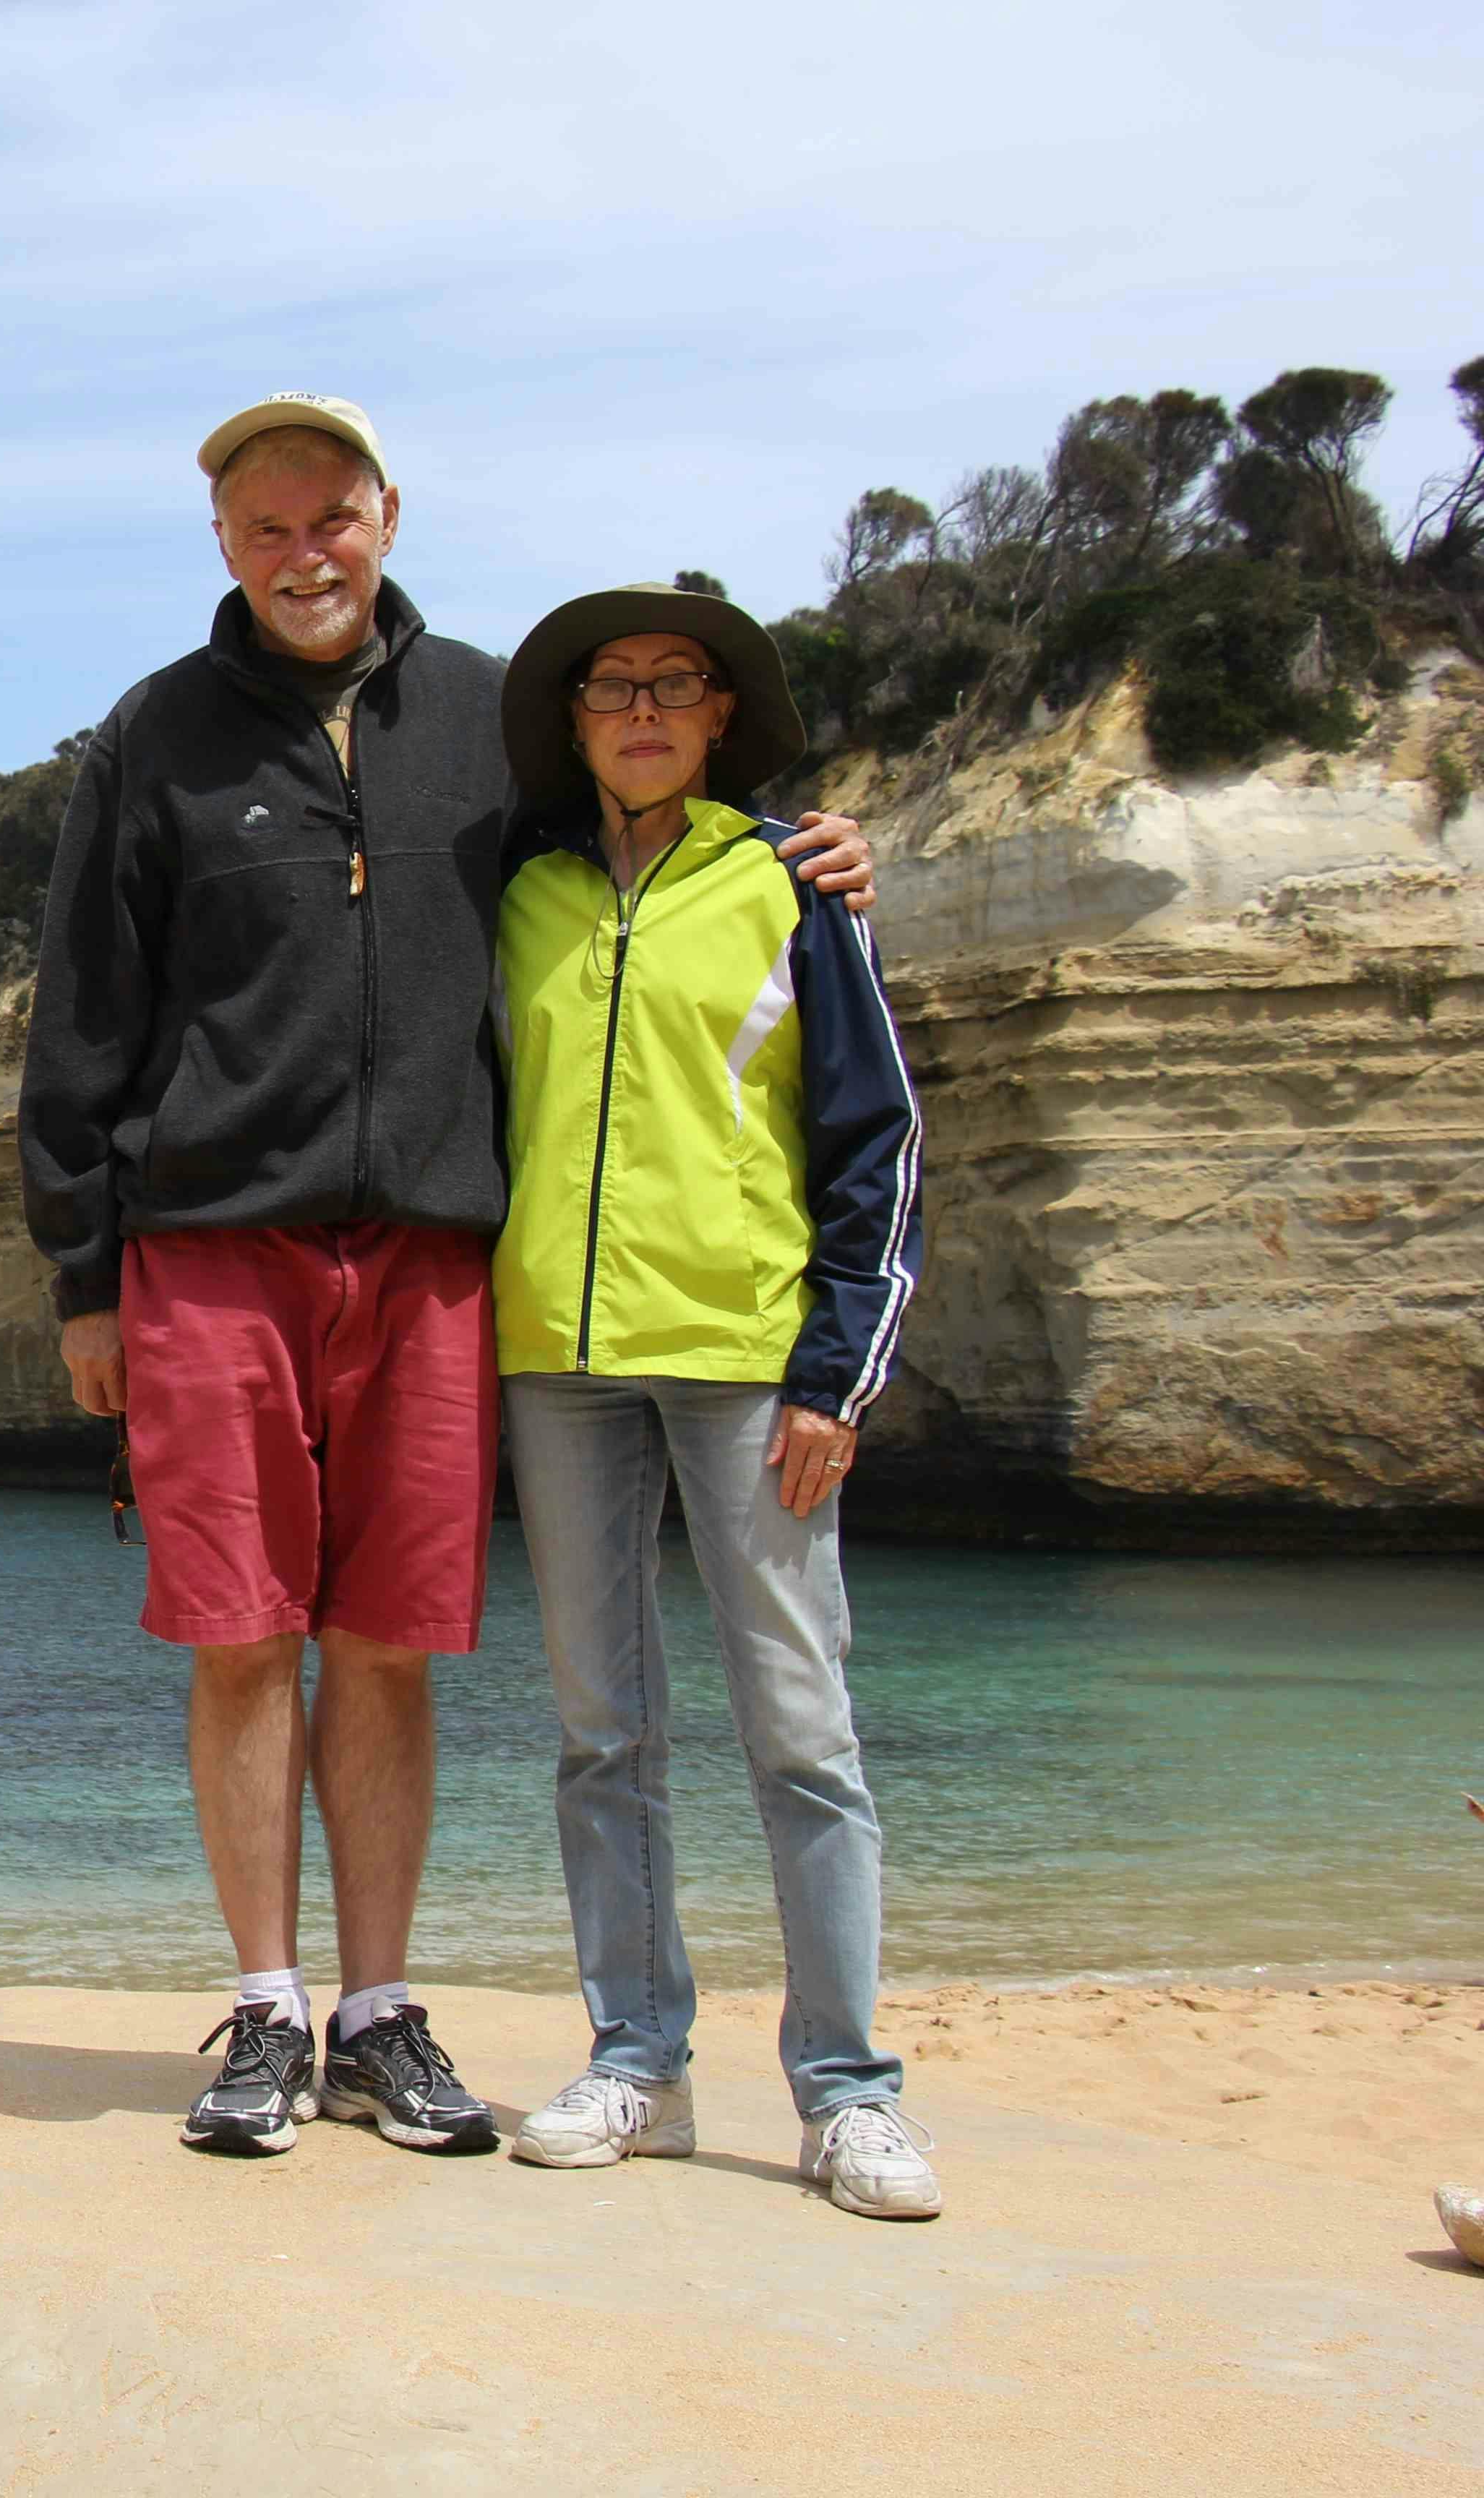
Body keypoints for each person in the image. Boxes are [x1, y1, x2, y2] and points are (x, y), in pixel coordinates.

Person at [19, 398, 874, 2162]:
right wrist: (80, 1276)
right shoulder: (153, 741)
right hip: (207, 1246)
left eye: (330, 516)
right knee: (244, 1637)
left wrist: (815, 847)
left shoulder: (488, 723)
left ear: (387, 515)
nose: (303, 553)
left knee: (386, 1641)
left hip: (430, 1251)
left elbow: (655, 827)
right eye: (265, 529)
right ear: (225, 549)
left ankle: (379, 2011)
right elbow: (83, 1018)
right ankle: (263, 2009)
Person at [484, 582, 938, 2219]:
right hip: (560, 1358)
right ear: (580, 720)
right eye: (615, 686)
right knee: (602, 1731)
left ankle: (847, 2092)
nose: (647, 706)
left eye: (679, 682)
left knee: (800, 1731)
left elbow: (874, 1139)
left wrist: (841, 1375)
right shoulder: (519, 894)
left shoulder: (796, 885)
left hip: (752, 1360)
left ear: (722, 714)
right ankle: (639, 2064)